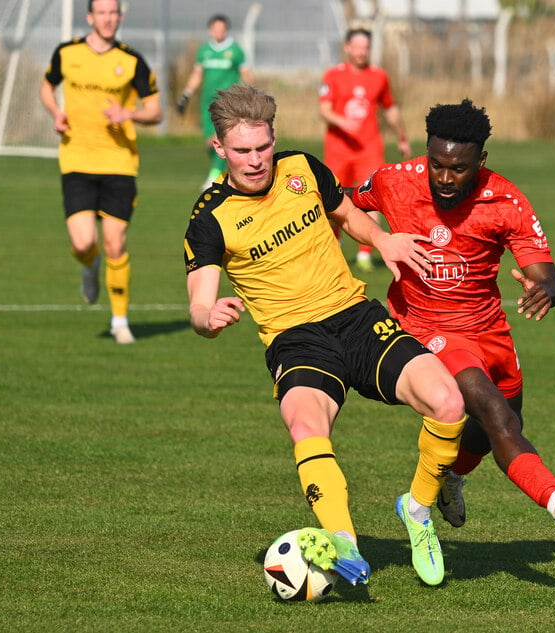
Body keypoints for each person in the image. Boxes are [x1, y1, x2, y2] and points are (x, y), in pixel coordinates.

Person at [182, 83, 466, 587]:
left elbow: (347, 214)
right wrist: (209, 317)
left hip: (355, 317)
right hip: (295, 338)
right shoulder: (210, 218)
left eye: (263, 146)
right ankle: (344, 544)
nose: (255, 160)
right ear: (219, 148)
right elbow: (199, 305)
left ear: (274, 138)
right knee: (305, 424)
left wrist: (381, 238)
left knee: (447, 401)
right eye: (242, 151)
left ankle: (419, 512)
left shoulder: (302, 168)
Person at [351, 99, 555, 540]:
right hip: (428, 329)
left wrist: (546, 292)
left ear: (480, 161)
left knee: (495, 431)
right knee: (495, 414)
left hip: (488, 329)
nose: (445, 178)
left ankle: (449, 478)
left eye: (458, 168)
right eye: (437, 164)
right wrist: (379, 238)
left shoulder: (505, 199)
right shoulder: (394, 181)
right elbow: (342, 205)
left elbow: (550, 279)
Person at [39, 0, 162, 344]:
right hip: (76, 160)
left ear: (119, 17)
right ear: (90, 17)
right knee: (83, 243)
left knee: (115, 242)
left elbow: (155, 110)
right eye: (102, 13)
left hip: (119, 163)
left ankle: (120, 321)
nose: (108, 19)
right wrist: (55, 113)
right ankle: (89, 266)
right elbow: (46, 86)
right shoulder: (67, 53)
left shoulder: (132, 60)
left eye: (114, 13)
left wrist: (129, 114)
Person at [319, 27, 411, 273]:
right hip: (338, 149)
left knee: (372, 197)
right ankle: (334, 246)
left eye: (365, 48)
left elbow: (390, 109)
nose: (361, 52)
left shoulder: (379, 76)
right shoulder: (332, 76)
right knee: (332, 199)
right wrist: (342, 122)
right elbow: (324, 110)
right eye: (357, 47)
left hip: (369, 149)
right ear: (347, 48)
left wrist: (402, 137)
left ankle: (365, 253)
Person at [175, 14, 253, 187]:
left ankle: (214, 176)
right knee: (210, 143)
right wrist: (186, 95)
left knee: (222, 139)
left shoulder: (235, 51)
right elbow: (197, 74)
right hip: (207, 103)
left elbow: (246, 74)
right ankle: (228, 173)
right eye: (216, 28)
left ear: (226, 30)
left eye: (222, 28)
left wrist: (251, 95)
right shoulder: (204, 51)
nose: (219, 31)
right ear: (211, 30)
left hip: (228, 103)